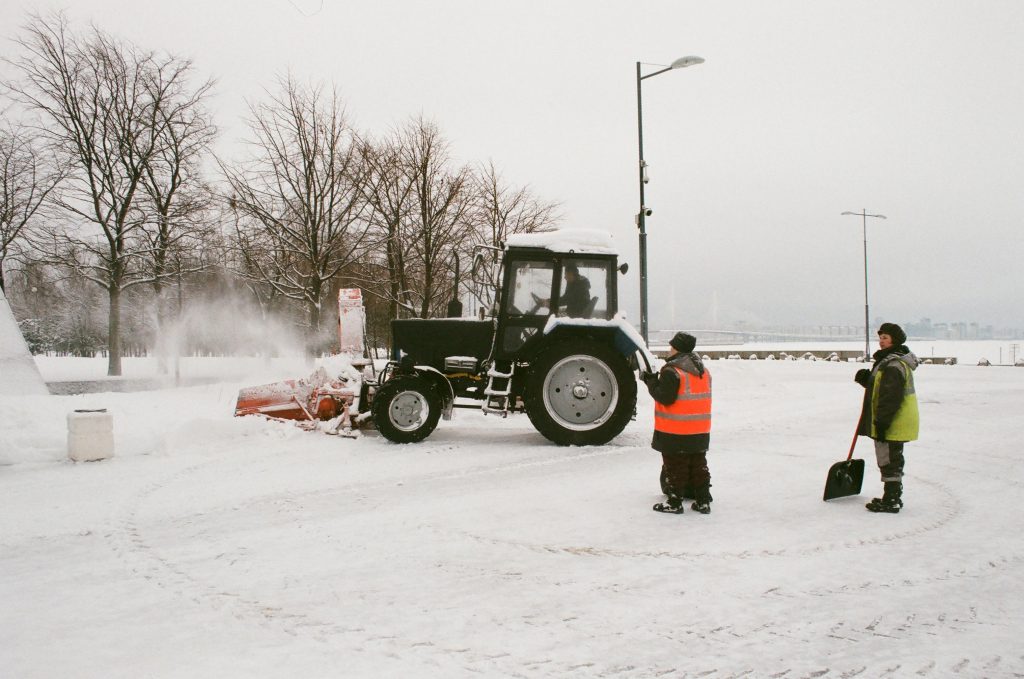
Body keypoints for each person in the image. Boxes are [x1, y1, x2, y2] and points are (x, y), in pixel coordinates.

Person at [643, 332, 713, 514]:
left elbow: (665, 398)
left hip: (676, 429)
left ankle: (674, 503)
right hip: (699, 429)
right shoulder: (703, 371)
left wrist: (650, 382)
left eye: (672, 346)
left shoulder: (672, 371)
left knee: (675, 465)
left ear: (678, 349)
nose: (669, 349)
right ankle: (703, 501)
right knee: (699, 465)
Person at [854, 322, 920, 513]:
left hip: (893, 420)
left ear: (895, 340)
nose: (881, 342)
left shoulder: (893, 365)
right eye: (880, 338)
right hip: (895, 419)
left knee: (889, 458)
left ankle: (891, 499)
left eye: (885, 338)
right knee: (892, 457)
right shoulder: (890, 361)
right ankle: (892, 496)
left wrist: (882, 422)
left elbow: (890, 397)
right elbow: (882, 389)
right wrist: (867, 380)